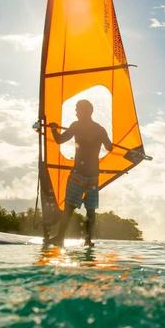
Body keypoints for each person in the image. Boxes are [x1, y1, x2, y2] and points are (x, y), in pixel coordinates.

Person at [48, 99, 112, 247]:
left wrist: (53, 129)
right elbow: (109, 148)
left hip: (78, 174)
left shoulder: (76, 126)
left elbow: (59, 139)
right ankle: (88, 240)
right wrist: (107, 143)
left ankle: (60, 238)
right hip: (93, 176)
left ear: (85, 111)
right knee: (90, 210)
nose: (76, 112)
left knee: (69, 208)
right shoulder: (100, 129)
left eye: (77, 109)